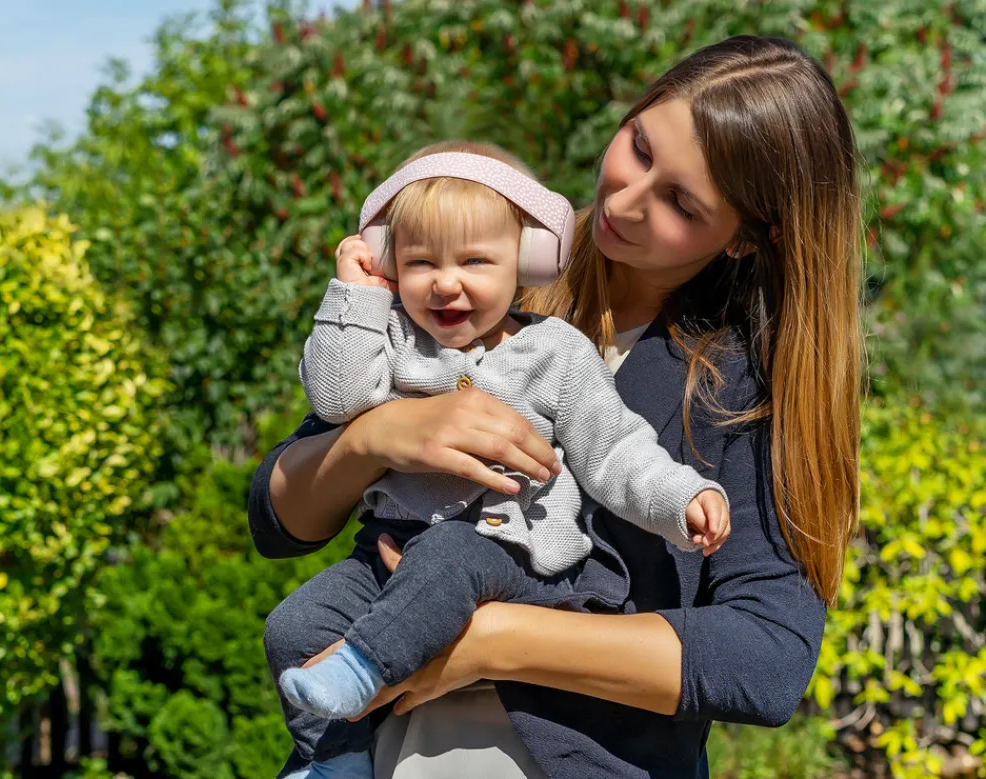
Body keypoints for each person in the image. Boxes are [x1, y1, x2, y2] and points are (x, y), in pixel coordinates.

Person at [251, 35, 862, 779]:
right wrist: (378, 437)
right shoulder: (476, 276)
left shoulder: (738, 388)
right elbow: (280, 516)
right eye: (638, 146)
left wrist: (490, 638)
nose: (625, 199)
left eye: (680, 202)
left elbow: (766, 660)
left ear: (743, 240)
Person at [277, 140, 731, 778]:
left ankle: (362, 669)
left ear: (527, 262)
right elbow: (335, 398)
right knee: (295, 626)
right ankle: (333, 765)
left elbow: (618, 450)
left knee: (447, 556)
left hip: (508, 556)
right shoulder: (391, 338)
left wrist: (679, 499)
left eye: (474, 260)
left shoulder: (555, 354)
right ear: (389, 263)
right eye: (418, 261)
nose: (445, 280)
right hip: (384, 554)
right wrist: (353, 296)